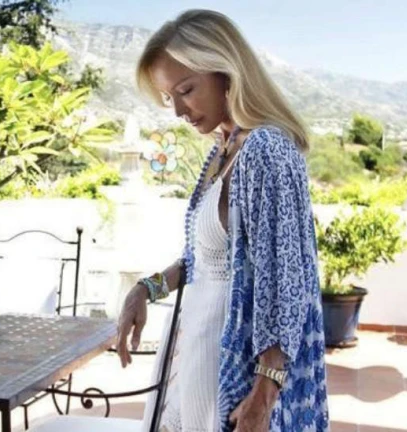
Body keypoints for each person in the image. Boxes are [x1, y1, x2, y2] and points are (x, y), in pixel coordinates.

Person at [116, 9, 329, 432]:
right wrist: (144, 290)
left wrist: (263, 398)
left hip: (229, 368)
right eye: (169, 97)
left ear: (225, 71)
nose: (178, 109)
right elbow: (203, 262)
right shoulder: (224, 150)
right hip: (196, 352)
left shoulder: (265, 150)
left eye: (186, 90)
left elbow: (289, 283)